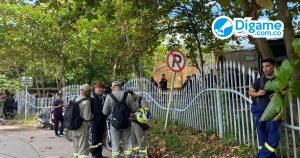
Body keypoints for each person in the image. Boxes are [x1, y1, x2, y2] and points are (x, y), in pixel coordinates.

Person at [249, 58, 281, 158]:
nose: (265, 69)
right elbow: (250, 92)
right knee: (263, 137)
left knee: (273, 138)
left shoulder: (280, 79)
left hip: (273, 112)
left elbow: (287, 89)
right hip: (259, 111)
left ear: (273, 66)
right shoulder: (260, 80)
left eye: (267, 66)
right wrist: (257, 93)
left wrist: (278, 94)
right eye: (263, 67)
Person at [103, 81, 137, 158]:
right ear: (121, 87)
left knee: (115, 147)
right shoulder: (128, 96)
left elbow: (105, 112)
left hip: (114, 125)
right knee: (128, 146)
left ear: (113, 87)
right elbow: (134, 109)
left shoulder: (109, 97)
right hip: (126, 124)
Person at [127, 90, 150, 158]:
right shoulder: (130, 101)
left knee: (141, 140)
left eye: (131, 98)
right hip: (131, 122)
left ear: (134, 94)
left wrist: (135, 114)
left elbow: (146, 111)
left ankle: (142, 155)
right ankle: (136, 154)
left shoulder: (141, 100)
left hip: (139, 124)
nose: (130, 100)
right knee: (134, 141)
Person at [73, 84, 93, 158]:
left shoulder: (75, 99)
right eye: (89, 91)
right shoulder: (86, 102)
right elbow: (87, 117)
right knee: (83, 147)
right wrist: (93, 115)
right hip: (83, 126)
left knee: (76, 146)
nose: (90, 92)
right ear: (86, 91)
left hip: (74, 125)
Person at [90, 83, 107, 158]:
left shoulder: (102, 97)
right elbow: (89, 109)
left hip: (102, 121)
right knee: (95, 138)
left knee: (100, 139)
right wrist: (92, 118)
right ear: (95, 89)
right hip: (95, 122)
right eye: (99, 88)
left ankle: (99, 154)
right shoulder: (92, 97)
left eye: (101, 88)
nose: (100, 89)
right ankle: (94, 154)